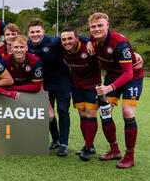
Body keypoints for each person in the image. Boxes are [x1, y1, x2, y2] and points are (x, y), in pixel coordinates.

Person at [89, 12, 144, 168]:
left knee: (127, 112)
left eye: (100, 25)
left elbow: (128, 73)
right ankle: (114, 150)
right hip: (112, 77)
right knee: (105, 112)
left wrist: (108, 88)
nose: (96, 29)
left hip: (131, 77)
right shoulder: (93, 39)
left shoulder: (120, 43)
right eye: (93, 26)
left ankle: (129, 156)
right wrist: (88, 43)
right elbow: (83, 38)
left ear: (108, 25)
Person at [27, 18, 81, 156]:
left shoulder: (55, 41)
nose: (35, 35)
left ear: (43, 31)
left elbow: (80, 38)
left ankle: (64, 143)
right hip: (44, 83)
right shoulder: (27, 44)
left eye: (38, 31)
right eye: (32, 32)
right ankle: (56, 138)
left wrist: (89, 42)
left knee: (63, 110)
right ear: (28, 33)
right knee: (48, 114)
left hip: (62, 80)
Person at [60, 27, 101, 161]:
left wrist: (89, 40)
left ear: (77, 38)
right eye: (64, 39)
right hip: (76, 85)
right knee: (82, 114)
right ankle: (89, 144)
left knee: (91, 113)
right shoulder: (63, 50)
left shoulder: (88, 47)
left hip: (93, 85)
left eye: (70, 38)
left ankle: (88, 148)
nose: (67, 42)